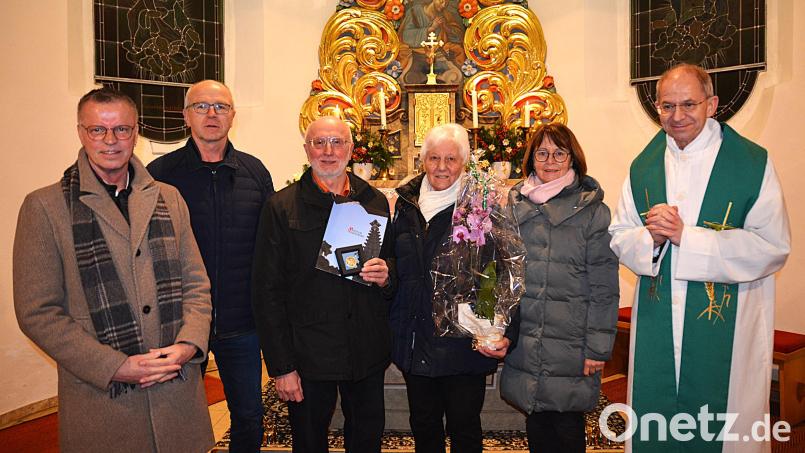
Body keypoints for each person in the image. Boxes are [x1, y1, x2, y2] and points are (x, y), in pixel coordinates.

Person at [13, 88, 214, 452]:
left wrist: (188, 345)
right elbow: (37, 312)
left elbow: (196, 283)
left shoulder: (168, 198)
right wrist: (114, 366)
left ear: (135, 132)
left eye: (121, 129)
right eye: (98, 130)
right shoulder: (44, 207)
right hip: (103, 399)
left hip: (176, 393)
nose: (110, 140)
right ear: (81, 132)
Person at [609, 63, 790, 452]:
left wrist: (687, 238)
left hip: (727, 326)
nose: (677, 116)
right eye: (667, 106)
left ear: (712, 104)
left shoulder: (750, 163)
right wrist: (651, 240)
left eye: (688, 104)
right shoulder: (643, 166)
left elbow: (772, 246)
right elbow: (620, 235)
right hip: (659, 319)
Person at [251, 116, 393, 452]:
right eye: (319, 142)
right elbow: (266, 292)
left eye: (337, 142)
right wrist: (282, 367)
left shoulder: (373, 200)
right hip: (309, 353)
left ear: (351, 150)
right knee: (309, 442)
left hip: (365, 349)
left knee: (367, 440)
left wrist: (387, 275)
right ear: (306, 149)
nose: (328, 151)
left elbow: (392, 265)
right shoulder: (281, 207)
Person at [147, 80, 273, 452]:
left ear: (233, 116)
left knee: (249, 416)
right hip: (181, 324)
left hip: (241, 322)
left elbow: (270, 245)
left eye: (221, 106)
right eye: (201, 106)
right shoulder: (159, 173)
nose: (212, 114)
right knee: (177, 417)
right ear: (186, 116)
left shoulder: (254, 172)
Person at [480, 123, 620, 453]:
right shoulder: (513, 205)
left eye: (559, 153)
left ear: (573, 158)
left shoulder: (592, 211)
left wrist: (598, 348)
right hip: (527, 336)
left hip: (571, 342)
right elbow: (500, 274)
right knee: (537, 423)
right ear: (531, 159)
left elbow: (604, 286)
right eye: (542, 153)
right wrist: (493, 327)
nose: (550, 161)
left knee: (566, 426)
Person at [390, 124, 498, 453]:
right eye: (434, 158)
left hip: (461, 343)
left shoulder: (479, 207)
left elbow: (494, 275)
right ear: (422, 161)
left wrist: (491, 329)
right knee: (424, 426)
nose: (441, 166)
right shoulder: (406, 204)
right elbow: (395, 263)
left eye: (451, 159)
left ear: (463, 163)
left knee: (464, 428)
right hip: (416, 336)